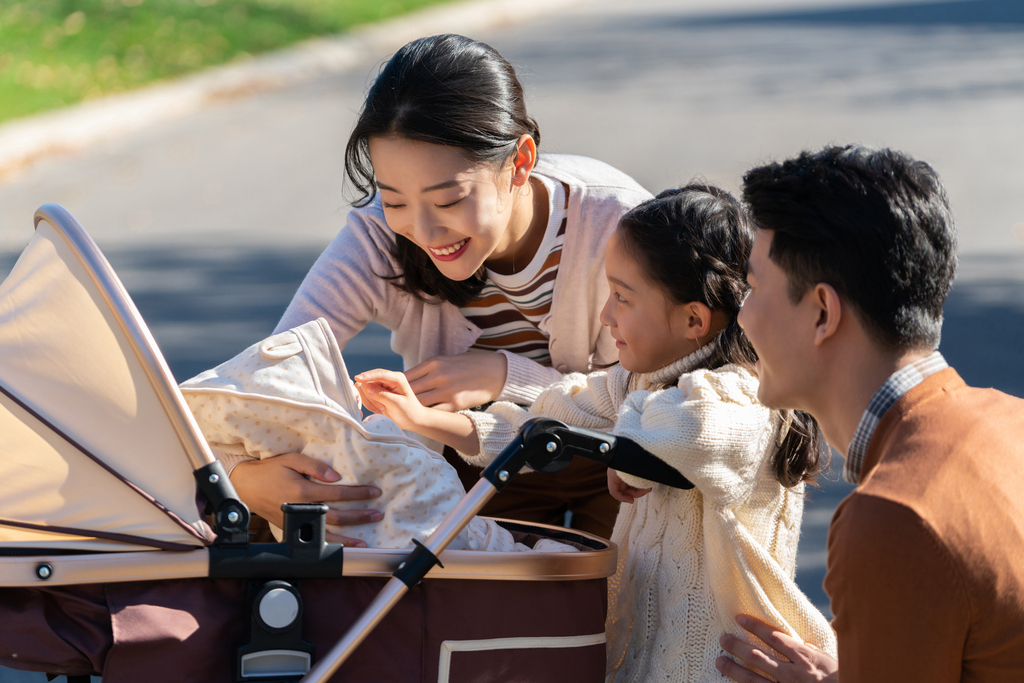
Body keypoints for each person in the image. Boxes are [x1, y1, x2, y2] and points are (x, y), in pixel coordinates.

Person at [355, 185, 838, 681]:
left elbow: (694, 432)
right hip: (646, 658)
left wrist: (625, 452)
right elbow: (544, 420)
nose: (607, 315)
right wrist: (421, 418)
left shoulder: (746, 395)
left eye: (623, 298)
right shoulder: (637, 382)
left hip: (725, 664)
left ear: (694, 318)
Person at [220, 34, 652, 545]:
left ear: (520, 160)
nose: (424, 232)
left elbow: (665, 404)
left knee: (625, 606)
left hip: (623, 469)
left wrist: (506, 376)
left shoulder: (621, 224)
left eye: (448, 200)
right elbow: (259, 382)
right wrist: (242, 477)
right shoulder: (378, 236)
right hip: (473, 466)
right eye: (395, 200)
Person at [715, 145, 1024, 682]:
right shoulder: (1009, 419)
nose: (741, 317)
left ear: (822, 313)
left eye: (754, 287)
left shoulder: (892, 518)